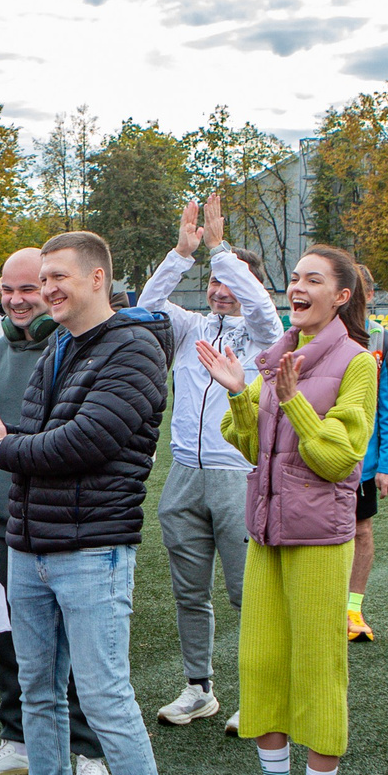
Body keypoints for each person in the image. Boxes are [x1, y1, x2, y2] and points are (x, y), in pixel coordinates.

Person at [0, 230, 177, 775]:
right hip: (32, 546)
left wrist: (2, 446)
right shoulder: (59, 345)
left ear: (99, 278)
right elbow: (31, 437)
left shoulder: (135, 349)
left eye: (59, 276)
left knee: (106, 698)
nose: (47, 287)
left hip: (91, 550)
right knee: (38, 690)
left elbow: (87, 442)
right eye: (40, 276)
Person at [197, 245, 376, 775]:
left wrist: (293, 398)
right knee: (260, 662)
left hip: (320, 540)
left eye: (313, 279)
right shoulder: (278, 358)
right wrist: (239, 390)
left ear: (341, 296)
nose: (297, 287)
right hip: (267, 533)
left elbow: (334, 458)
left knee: (318, 667)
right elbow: (250, 447)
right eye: (294, 278)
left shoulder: (357, 363)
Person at [0, 248, 106, 775]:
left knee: (73, 643)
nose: (19, 300)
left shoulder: (75, 350)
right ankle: (17, 739)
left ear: (52, 288)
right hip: (0, 517)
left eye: (31, 288)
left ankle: (89, 751)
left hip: (59, 517)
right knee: (10, 637)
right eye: (9, 290)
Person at [138, 195, 283, 724]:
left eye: (230, 283)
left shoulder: (267, 337)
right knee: (189, 592)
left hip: (239, 477)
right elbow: (149, 304)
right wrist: (182, 254)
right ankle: (199, 688)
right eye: (215, 283)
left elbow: (263, 309)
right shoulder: (191, 330)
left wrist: (222, 251)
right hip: (183, 476)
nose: (220, 292)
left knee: (250, 596)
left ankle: (261, 693)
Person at [345, 266, 388, 645]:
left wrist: (386, 464)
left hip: (362, 465)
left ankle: (351, 609)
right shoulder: (311, 328)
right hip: (320, 457)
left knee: (361, 530)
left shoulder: (381, 338)